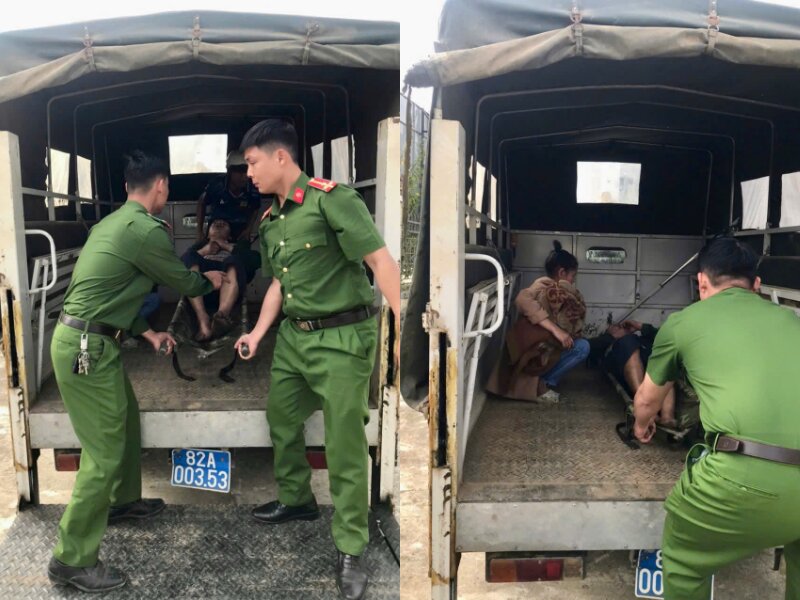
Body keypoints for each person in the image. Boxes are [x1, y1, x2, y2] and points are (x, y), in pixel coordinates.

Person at [233, 119, 401, 600]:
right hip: (294, 339)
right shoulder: (273, 220)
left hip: (342, 339)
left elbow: (381, 263)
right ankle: (298, 500)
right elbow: (281, 286)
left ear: (280, 157)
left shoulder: (333, 200)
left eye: (252, 163)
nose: (249, 174)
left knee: (344, 445)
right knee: (281, 417)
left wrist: (403, 331)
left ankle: (352, 546)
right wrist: (258, 334)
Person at [46, 151, 227, 593]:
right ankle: (70, 558)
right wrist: (212, 283)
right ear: (161, 186)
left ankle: (122, 502)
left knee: (125, 420)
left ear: (128, 187)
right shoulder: (145, 231)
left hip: (94, 339)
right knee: (103, 453)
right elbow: (181, 280)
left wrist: (147, 334)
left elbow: (112, 291)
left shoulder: (111, 223)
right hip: (86, 348)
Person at [633, 237, 800, 600]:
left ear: (702, 284)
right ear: (757, 285)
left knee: (681, 560)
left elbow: (646, 400)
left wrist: (640, 424)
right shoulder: (791, 320)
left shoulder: (682, 322)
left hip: (741, 481)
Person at [495, 240, 589, 402]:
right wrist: (555, 329)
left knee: (580, 344)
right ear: (562, 273)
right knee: (582, 348)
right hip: (536, 347)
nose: (573, 280)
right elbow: (522, 299)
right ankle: (541, 384)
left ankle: (542, 381)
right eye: (572, 276)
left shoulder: (562, 291)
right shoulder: (543, 285)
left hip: (546, 344)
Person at [591, 320, 677, 426]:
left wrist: (641, 326)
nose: (619, 326)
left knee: (665, 357)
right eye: (615, 326)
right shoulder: (609, 342)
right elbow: (589, 347)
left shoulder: (641, 339)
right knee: (628, 342)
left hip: (649, 363)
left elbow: (666, 336)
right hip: (624, 366)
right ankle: (646, 408)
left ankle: (667, 416)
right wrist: (611, 337)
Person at [182, 218, 252, 341]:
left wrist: (226, 246)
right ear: (208, 234)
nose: (219, 223)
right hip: (203, 288)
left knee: (234, 259)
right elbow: (179, 266)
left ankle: (221, 316)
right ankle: (203, 319)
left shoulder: (236, 246)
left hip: (228, 288)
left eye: (224, 224)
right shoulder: (199, 247)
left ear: (229, 236)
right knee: (189, 257)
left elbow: (254, 261)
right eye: (214, 224)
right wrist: (204, 251)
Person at [196, 150, 262, 241]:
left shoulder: (253, 187)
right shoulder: (217, 185)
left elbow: (255, 208)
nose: (244, 177)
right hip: (217, 228)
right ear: (229, 171)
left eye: (246, 171)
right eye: (240, 172)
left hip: (240, 228)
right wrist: (199, 231)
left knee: (242, 253)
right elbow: (201, 202)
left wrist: (248, 230)